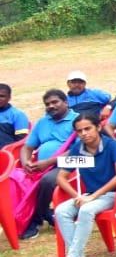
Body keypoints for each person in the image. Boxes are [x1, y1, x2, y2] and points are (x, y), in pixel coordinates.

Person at [46, 113, 116, 257]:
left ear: (98, 127)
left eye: (87, 128)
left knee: (86, 210)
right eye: (79, 131)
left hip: (112, 195)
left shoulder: (112, 145)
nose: (84, 133)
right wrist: (77, 196)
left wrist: (93, 196)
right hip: (87, 195)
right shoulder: (78, 149)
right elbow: (61, 177)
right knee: (61, 210)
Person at [16, 90, 76, 240]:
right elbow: (27, 147)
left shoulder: (77, 120)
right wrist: (25, 163)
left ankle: (35, 220)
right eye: (47, 104)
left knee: (48, 180)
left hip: (71, 162)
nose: (51, 106)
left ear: (66, 102)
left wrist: (49, 162)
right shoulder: (42, 123)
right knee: (15, 178)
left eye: (55, 102)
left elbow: (78, 150)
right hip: (41, 166)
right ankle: (42, 214)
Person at [0, 83, 30, 148]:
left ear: (9, 98)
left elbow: (21, 140)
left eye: (2, 96)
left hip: (7, 153)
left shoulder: (17, 115)